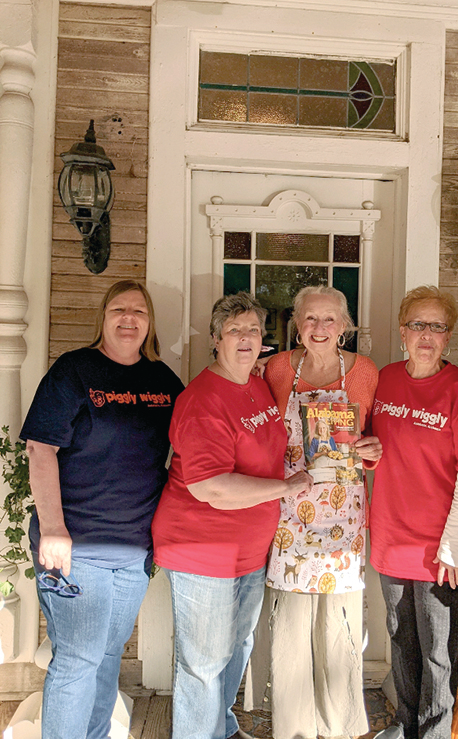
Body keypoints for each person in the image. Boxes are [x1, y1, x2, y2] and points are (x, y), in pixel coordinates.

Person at [21, 280, 184, 739]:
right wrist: (53, 528)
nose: (129, 318)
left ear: (150, 323)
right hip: (78, 546)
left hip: (134, 550)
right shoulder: (74, 371)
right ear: (104, 317)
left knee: (108, 655)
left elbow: (200, 437)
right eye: (119, 309)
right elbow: (40, 449)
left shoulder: (162, 381)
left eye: (139, 311)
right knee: (78, 658)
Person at [151, 292, 312, 739]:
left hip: (248, 550)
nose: (246, 338)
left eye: (254, 330)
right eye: (235, 330)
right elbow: (212, 488)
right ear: (216, 340)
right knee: (202, 664)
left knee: (236, 648)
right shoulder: (204, 400)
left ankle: (219, 728)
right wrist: (285, 488)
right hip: (203, 550)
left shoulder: (255, 384)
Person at [246, 285, 382, 739]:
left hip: (343, 516)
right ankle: (293, 728)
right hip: (290, 510)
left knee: (338, 621)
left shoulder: (365, 373)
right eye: (310, 319)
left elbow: (377, 441)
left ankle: (338, 725)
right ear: (296, 325)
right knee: (290, 623)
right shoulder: (279, 369)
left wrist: (372, 449)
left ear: (345, 326)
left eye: (330, 320)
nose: (319, 328)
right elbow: (262, 430)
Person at [369, 285, 458, 739]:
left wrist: (454, 548)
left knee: (439, 653)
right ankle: (405, 724)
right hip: (392, 539)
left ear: (448, 337)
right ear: (403, 331)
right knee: (402, 641)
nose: (427, 335)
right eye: (419, 324)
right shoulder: (387, 379)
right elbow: (377, 447)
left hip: (443, 550)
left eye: (438, 326)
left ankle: (433, 732)